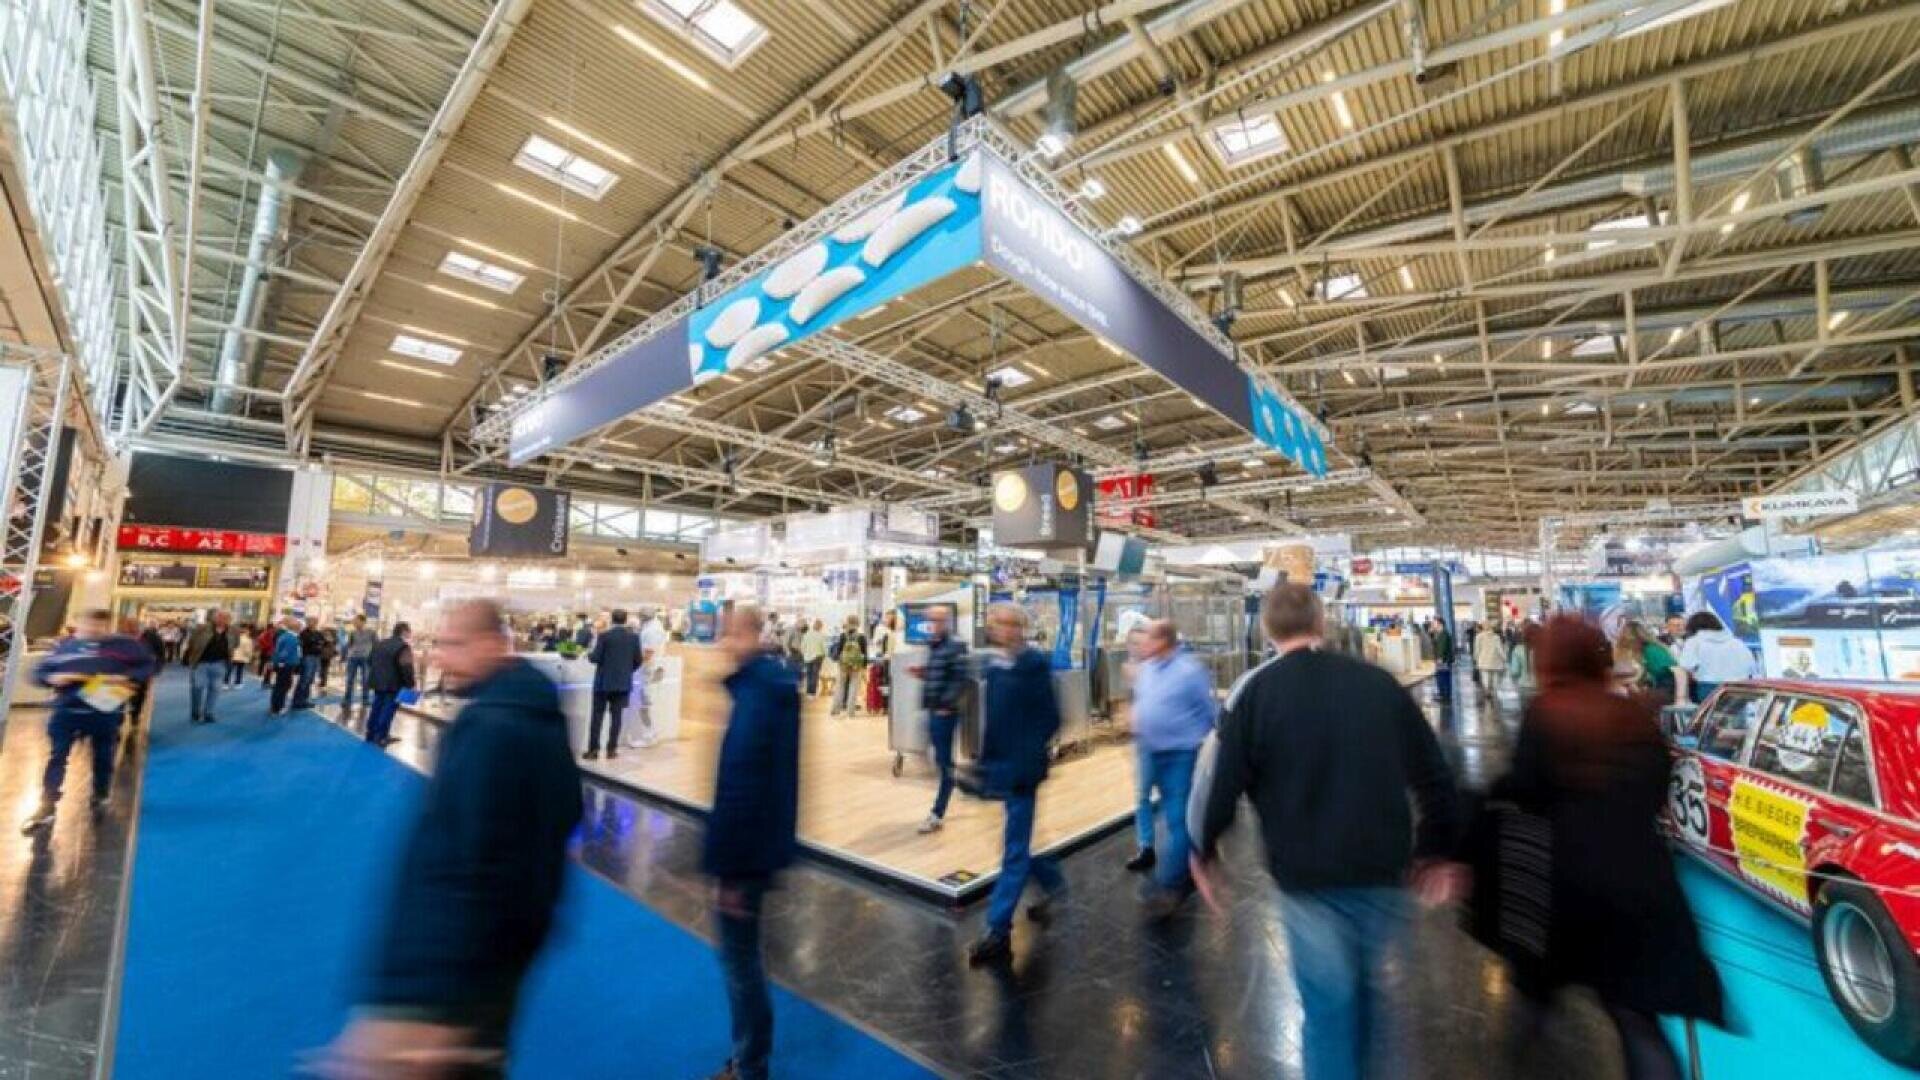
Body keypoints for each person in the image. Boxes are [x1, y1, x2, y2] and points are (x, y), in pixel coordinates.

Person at [1193, 584, 1463, 1079]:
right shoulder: (1377, 684)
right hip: (1384, 874)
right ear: (1321, 622)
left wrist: (1204, 847)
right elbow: (1434, 774)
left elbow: (1224, 781)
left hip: (1307, 881)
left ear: (1266, 629)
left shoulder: (1256, 694)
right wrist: (1438, 850)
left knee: (1327, 1016)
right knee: (1376, 1005)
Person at [326, 600, 580, 1078]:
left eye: (453, 645)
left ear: (491, 645)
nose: (440, 658)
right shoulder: (529, 713)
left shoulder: (494, 726)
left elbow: (471, 867)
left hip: (456, 985)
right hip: (491, 965)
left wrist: (432, 1001)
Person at [1486, 616, 1722, 1080]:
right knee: (1637, 1021)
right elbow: (1658, 791)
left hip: (1563, 887)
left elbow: (1525, 794)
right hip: (1639, 880)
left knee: (1534, 1003)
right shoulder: (1636, 716)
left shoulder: (1547, 715)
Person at [702, 605, 800, 1080]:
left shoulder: (760, 694)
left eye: (728, 634)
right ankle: (749, 1056)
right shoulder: (766, 687)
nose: (722, 642)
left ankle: (749, 1064)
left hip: (743, 856)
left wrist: (732, 869)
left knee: (741, 966)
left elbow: (744, 784)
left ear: (749, 635)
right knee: (744, 960)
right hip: (756, 848)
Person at [967, 604, 1069, 965]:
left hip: (1023, 770)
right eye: (997, 624)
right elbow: (993, 720)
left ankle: (997, 930)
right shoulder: (993, 667)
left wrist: (1025, 755)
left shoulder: (1035, 665)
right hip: (1002, 769)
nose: (1004, 631)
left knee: (1013, 850)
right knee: (1017, 845)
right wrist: (985, 763)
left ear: (1021, 628)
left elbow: (1051, 717)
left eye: (1010, 624)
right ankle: (1052, 881)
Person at [21, 609, 155, 832]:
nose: (93, 629)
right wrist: (51, 678)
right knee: (57, 757)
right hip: (66, 711)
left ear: (107, 626)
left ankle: (100, 793)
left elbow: (148, 665)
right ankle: (47, 804)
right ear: (78, 623)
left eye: (99, 625)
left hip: (103, 712)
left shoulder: (125, 646)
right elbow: (38, 672)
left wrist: (128, 678)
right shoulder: (64, 646)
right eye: (88, 624)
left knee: (102, 757)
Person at [1130, 619, 1216, 918]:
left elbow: (1208, 713)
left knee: (1177, 819)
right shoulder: (1148, 668)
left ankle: (1169, 885)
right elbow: (1142, 703)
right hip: (1149, 750)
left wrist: (1202, 744)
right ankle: (1165, 857)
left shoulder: (1190, 671)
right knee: (1150, 805)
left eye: (1149, 637)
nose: (1143, 643)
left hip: (1180, 753)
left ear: (1164, 640)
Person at [915, 605, 971, 835]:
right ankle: (954, 784)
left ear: (946, 621)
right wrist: (923, 674)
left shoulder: (956, 645)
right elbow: (941, 674)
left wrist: (947, 706)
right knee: (936, 759)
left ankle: (937, 813)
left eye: (937, 620)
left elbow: (960, 679)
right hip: (932, 709)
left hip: (944, 713)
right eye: (930, 620)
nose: (933, 624)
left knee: (944, 762)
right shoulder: (935, 645)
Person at [585, 609, 640, 761]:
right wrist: (626, 672)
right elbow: (638, 660)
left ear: (612, 620)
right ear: (626, 619)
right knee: (617, 718)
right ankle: (611, 750)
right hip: (622, 684)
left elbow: (595, 658)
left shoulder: (604, 636)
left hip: (603, 683)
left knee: (597, 717)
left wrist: (588, 655)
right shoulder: (634, 638)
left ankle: (593, 751)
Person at [1674, 611, 1755, 704]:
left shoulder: (1694, 642)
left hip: (1709, 689)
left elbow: (1686, 666)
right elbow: (1751, 667)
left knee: (1712, 717)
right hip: (1739, 688)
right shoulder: (1737, 642)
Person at [366, 622, 415, 747]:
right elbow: (406, 667)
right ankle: (381, 736)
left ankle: (370, 733)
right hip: (394, 684)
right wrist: (411, 684)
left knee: (376, 707)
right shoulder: (403, 647)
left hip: (378, 682)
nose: (410, 634)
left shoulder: (380, 643)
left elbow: (369, 661)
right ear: (403, 631)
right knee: (388, 709)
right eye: (409, 631)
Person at [625, 607, 669, 749]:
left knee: (645, 705)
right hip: (649, 670)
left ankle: (649, 734)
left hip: (648, 670)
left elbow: (648, 652)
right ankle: (649, 733)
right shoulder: (653, 627)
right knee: (644, 704)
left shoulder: (652, 630)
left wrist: (632, 663)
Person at [183, 610, 235, 725]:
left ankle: (209, 713)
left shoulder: (233, 631)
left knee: (215, 689)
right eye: (220, 617)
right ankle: (195, 711)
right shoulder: (202, 629)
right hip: (201, 663)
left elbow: (235, 644)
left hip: (220, 664)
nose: (223, 620)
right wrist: (192, 657)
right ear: (215, 618)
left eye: (226, 618)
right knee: (197, 687)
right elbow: (191, 643)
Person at [830, 615, 866, 717]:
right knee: (854, 687)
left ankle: (835, 709)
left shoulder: (843, 635)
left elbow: (839, 651)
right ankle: (850, 711)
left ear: (848, 622)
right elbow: (864, 653)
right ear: (858, 623)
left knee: (840, 686)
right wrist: (864, 666)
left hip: (843, 665)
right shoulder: (861, 637)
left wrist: (839, 661)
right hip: (856, 665)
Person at [269, 617, 304, 715]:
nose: (301, 627)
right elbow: (284, 653)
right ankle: (278, 707)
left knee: (280, 686)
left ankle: (275, 706)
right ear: (295, 627)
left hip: (284, 665)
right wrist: (281, 663)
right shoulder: (291, 638)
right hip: (286, 665)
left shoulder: (286, 636)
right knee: (283, 686)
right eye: (299, 625)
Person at [343, 614, 378, 712]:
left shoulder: (371, 632)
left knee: (365, 679)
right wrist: (346, 655)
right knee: (350, 679)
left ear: (363, 621)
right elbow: (349, 645)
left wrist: (373, 657)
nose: (354, 622)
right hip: (353, 658)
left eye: (356, 620)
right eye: (354, 621)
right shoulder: (352, 632)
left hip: (366, 658)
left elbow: (376, 644)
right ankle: (347, 700)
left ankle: (365, 699)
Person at [866, 611, 897, 715]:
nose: (887, 619)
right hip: (886, 660)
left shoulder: (891, 633)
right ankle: (885, 706)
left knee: (886, 684)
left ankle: (886, 706)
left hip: (889, 660)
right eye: (887, 617)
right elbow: (878, 645)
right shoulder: (882, 630)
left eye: (889, 618)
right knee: (885, 684)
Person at [292, 618, 327, 710]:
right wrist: (316, 643)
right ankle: (297, 701)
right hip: (307, 657)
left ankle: (304, 700)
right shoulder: (304, 633)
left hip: (316, 657)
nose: (313, 622)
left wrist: (317, 643)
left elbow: (324, 642)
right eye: (311, 621)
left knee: (310, 679)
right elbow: (306, 644)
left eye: (315, 621)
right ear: (308, 622)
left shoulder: (318, 633)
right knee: (304, 679)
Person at [1473, 620, 1508, 693]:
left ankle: (1487, 690)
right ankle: (1494, 691)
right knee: (1495, 678)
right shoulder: (1496, 637)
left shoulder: (1479, 637)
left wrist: (1476, 659)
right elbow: (1499, 649)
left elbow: (1477, 650)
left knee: (1485, 677)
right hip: (1495, 661)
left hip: (1483, 661)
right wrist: (1504, 658)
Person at [799, 618, 827, 697]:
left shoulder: (807, 634)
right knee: (815, 675)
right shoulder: (821, 635)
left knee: (809, 674)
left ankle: (808, 692)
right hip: (817, 657)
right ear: (820, 627)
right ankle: (812, 693)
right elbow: (824, 647)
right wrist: (825, 655)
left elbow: (802, 647)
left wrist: (805, 654)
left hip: (807, 657)